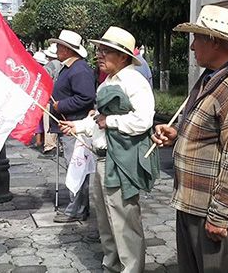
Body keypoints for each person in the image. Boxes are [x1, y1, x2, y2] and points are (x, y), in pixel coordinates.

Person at [152, 5, 228, 273]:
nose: (192, 47)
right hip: (193, 202)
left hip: (215, 211)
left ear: (214, 41)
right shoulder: (213, 76)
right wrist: (178, 136)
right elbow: (212, 132)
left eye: (197, 38)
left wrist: (219, 215)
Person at [59, 26, 158, 273]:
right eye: (99, 50)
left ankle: (130, 268)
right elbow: (98, 122)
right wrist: (78, 126)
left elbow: (143, 121)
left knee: (124, 221)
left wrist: (110, 121)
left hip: (121, 160)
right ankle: (111, 264)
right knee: (105, 219)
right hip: (102, 159)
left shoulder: (135, 81)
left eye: (106, 51)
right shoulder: (107, 83)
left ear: (123, 56)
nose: (99, 55)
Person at [48, 30, 96, 223]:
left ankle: (77, 208)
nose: (57, 49)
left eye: (60, 46)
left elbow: (86, 97)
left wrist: (61, 105)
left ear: (68, 49)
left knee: (77, 168)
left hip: (75, 126)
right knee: (74, 167)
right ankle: (78, 206)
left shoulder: (79, 70)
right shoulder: (70, 68)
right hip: (69, 124)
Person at [41, 43, 61, 156]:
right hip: (59, 98)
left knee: (48, 122)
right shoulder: (63, 65)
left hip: (50, 98)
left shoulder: (51, 65)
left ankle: (49, 146)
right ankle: (56, 145)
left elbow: (44, 78)